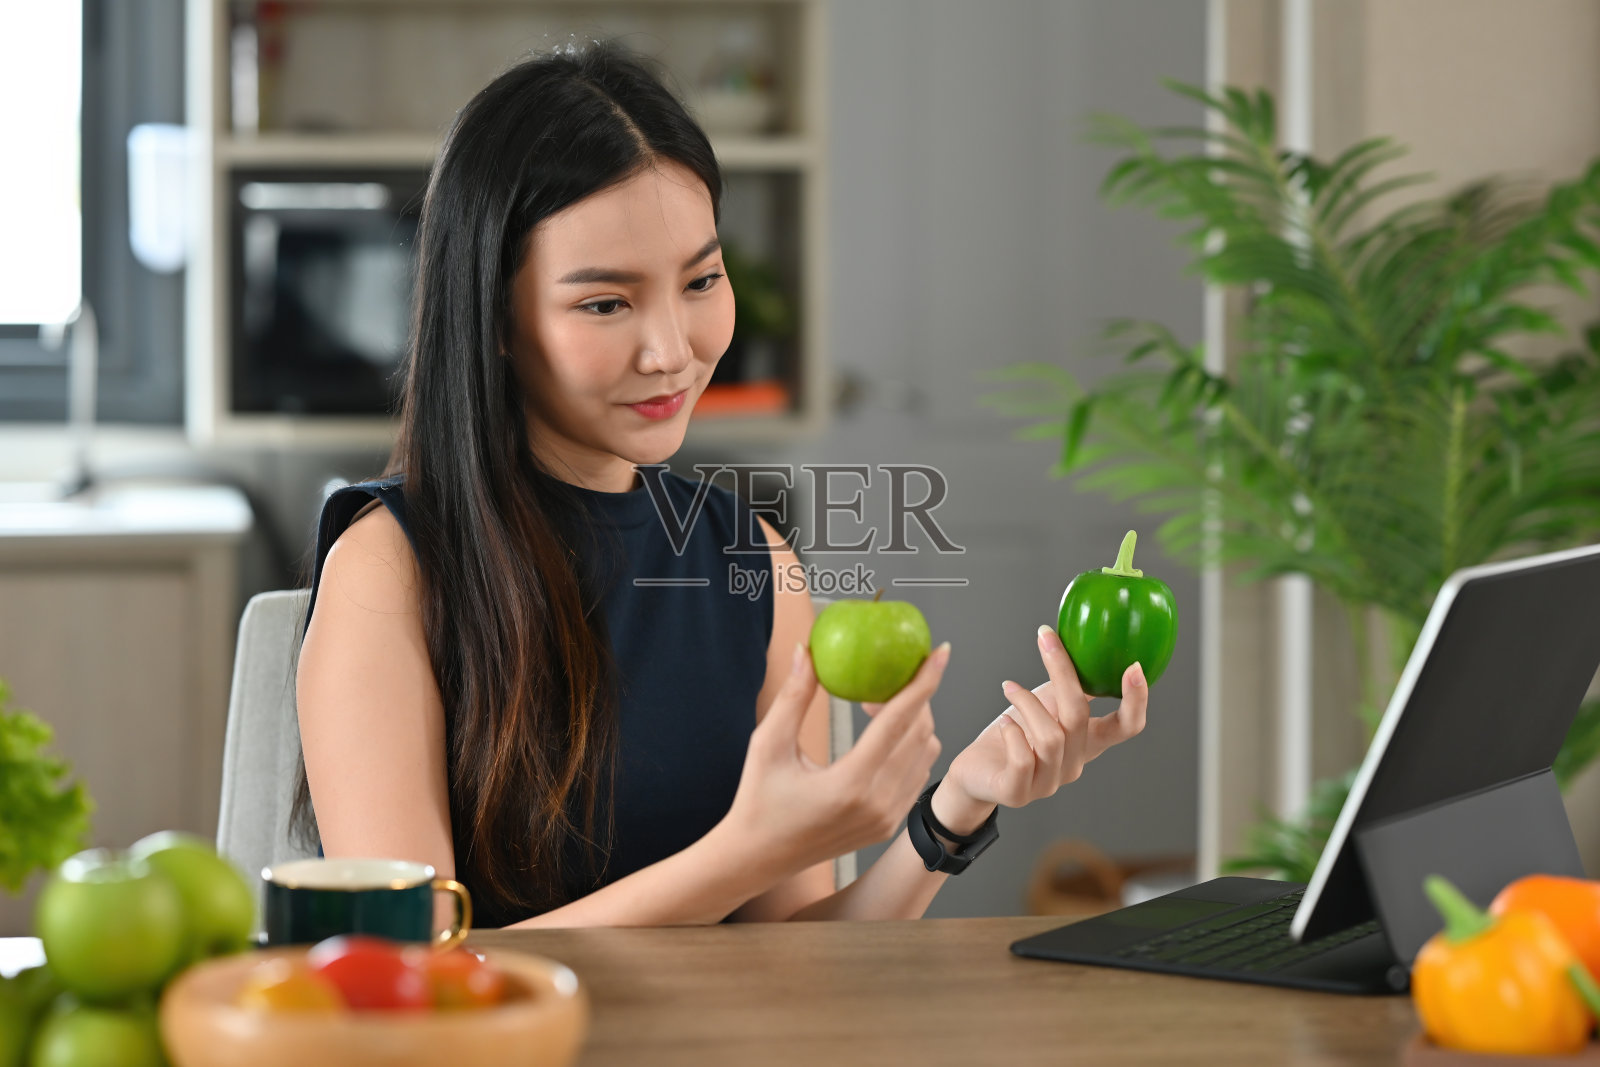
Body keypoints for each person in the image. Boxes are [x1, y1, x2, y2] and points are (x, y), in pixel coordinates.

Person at [294, 40, 1151, 930]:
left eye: (701, 280)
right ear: (496, 320)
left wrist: (958, 807)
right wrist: (746, 852)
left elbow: (794, 959)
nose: (673, 349)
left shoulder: (755, 563)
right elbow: (410, 963)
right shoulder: (389, 567)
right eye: (605, 303)